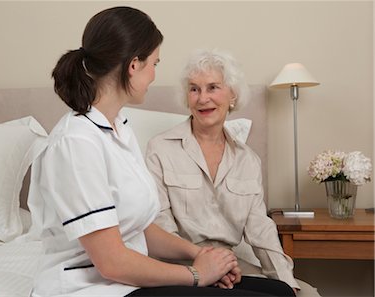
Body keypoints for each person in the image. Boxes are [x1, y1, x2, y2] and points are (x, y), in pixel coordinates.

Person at [28, 6, 294, 297]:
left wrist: (202, 256)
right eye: (154, 63)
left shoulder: (120, 130)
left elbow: (140, 227)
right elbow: (111, 262)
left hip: (128, 281)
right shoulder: (76, 143)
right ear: (133, 65)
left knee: (279, 291)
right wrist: (195, 274)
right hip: (93, 289)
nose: (155, 75)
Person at [145, 49, 301, 295]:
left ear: (232, 95)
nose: (202, 98)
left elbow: (260, 230)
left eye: (212, 87)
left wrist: (288, 282)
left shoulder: (248, 160)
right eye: (194, 89)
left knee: (282, 293)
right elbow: (159, 224)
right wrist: (204, 267)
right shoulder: (160, 148)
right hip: (182, 272)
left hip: (230, 270)